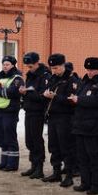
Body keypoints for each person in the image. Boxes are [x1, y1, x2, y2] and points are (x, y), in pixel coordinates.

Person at [70, 57, 98, 195]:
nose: (89, 72)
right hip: (80, 124)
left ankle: (97, 185)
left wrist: (79, 100)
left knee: (95, 156)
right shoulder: (85, 81)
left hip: (94, 125)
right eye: (87, 69)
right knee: (82, 156)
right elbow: (78, 95)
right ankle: (85, 182)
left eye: (92, 70)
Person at [42, 54, 77, 187]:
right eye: (52, 68)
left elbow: (72, 101)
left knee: (66, 146)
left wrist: (55, 97)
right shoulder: (53, 78)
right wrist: (46, 95)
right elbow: (48, 93)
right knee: (53, 145)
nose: (54, 70)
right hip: (53, 116)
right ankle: (56, 172)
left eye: (56, 68)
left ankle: (68, 175)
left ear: (63, 65)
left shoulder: (71, 80)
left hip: (66, 117)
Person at [0, 55, 24, 172]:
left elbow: (12, 93)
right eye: (4, 64)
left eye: (7, 64)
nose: (5, 66)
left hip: (10, 111)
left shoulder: (17, 78)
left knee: (10, 137)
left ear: (13, 65)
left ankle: (12, 164)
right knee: (0, 137)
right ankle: (4, 161)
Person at [19, 52, 49, 179]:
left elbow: (42, 96)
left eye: (31, 66)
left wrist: (26, 93)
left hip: (38, 111)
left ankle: (39, 167)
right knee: (29, 140)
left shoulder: (44, 76)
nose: (28, 68)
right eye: (27, 66)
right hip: (29, 110)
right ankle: (33, 165)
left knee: (36, 139)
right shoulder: (30, 75)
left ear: (37, 63)